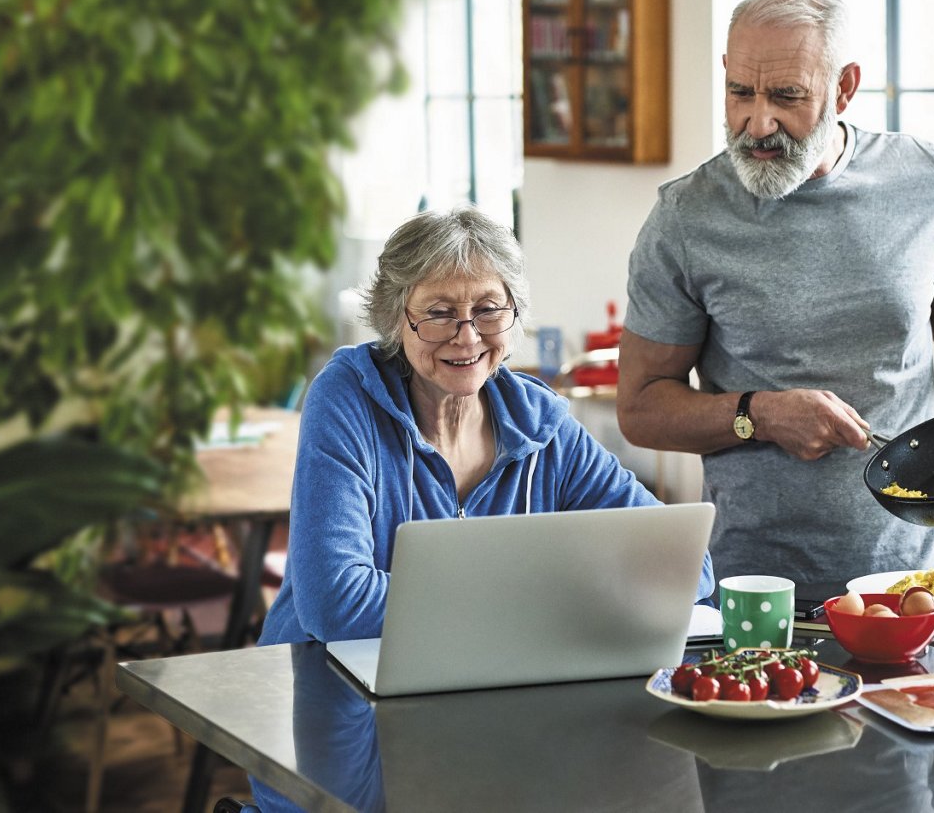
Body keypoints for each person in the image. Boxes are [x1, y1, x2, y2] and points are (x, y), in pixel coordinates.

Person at [616, 0, 934, 587]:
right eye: (739, 92)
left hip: (921, 574)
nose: (758, 122)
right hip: (761, 584)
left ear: (845, 87)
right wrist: (761, 415)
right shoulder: (684, 219)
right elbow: (641, 407)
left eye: (787, 96)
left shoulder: (920, 176)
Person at [259, 206, 714, 646]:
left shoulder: (541, 424)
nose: (468, 335)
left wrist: (504, 603)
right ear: (395, 319)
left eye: (489, 309)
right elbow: (335, 603)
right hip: (330, 684)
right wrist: (540, 598)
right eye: (438, 313)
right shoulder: (346, 399)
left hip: (479, 679)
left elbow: (688, 566)